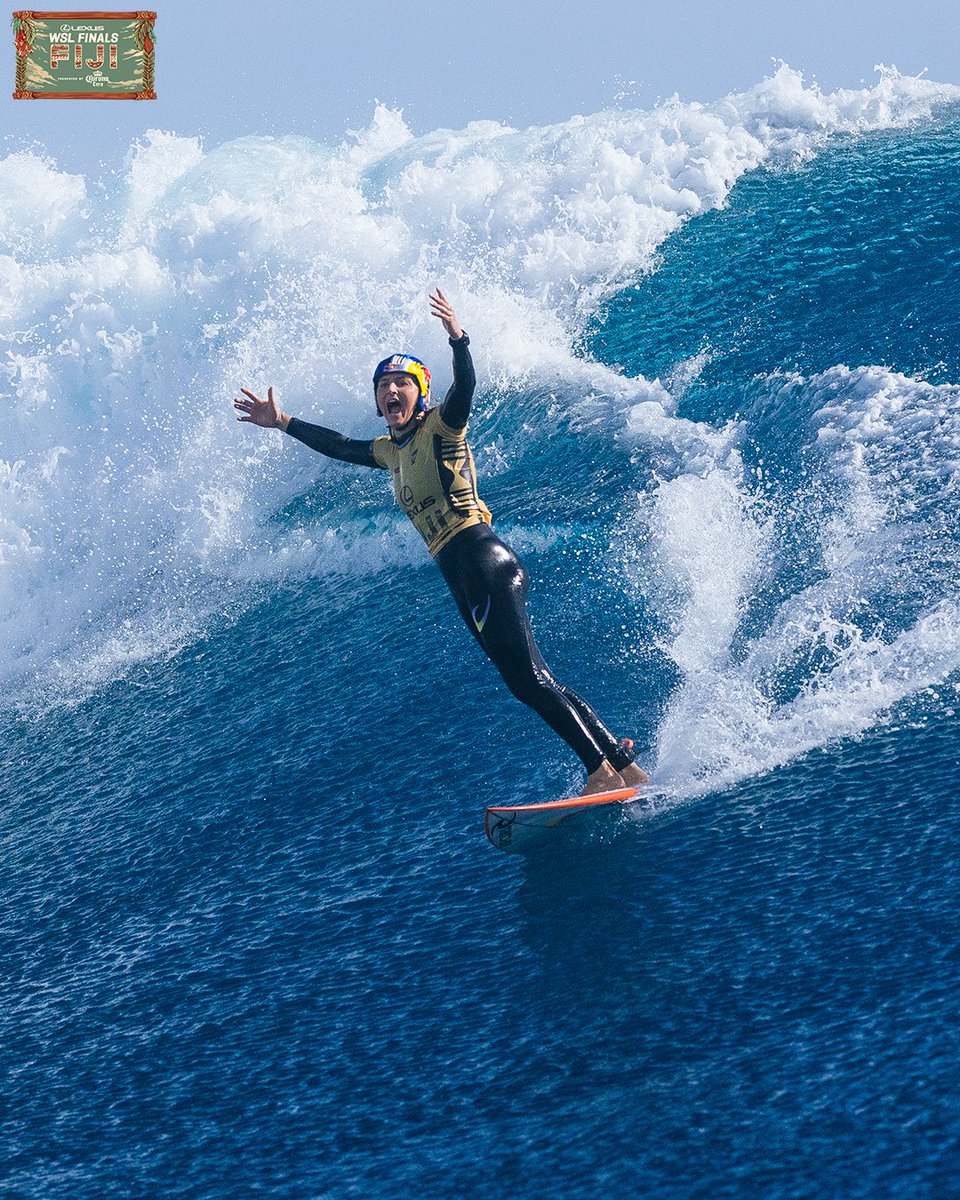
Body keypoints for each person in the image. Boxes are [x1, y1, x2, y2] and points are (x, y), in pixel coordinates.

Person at [234, 288, 648, 796]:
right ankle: (621, 765)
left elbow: (465, 387)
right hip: (461, 577)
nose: (390, 391)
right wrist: (282, 422)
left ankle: (599, 772)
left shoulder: (441, 427)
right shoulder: (390, 451)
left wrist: (458, 339)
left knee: (528, 680)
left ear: (421, 393)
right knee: (531, 679)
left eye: (401, 383)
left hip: (484, 559)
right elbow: (339, 446)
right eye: (383, 385)